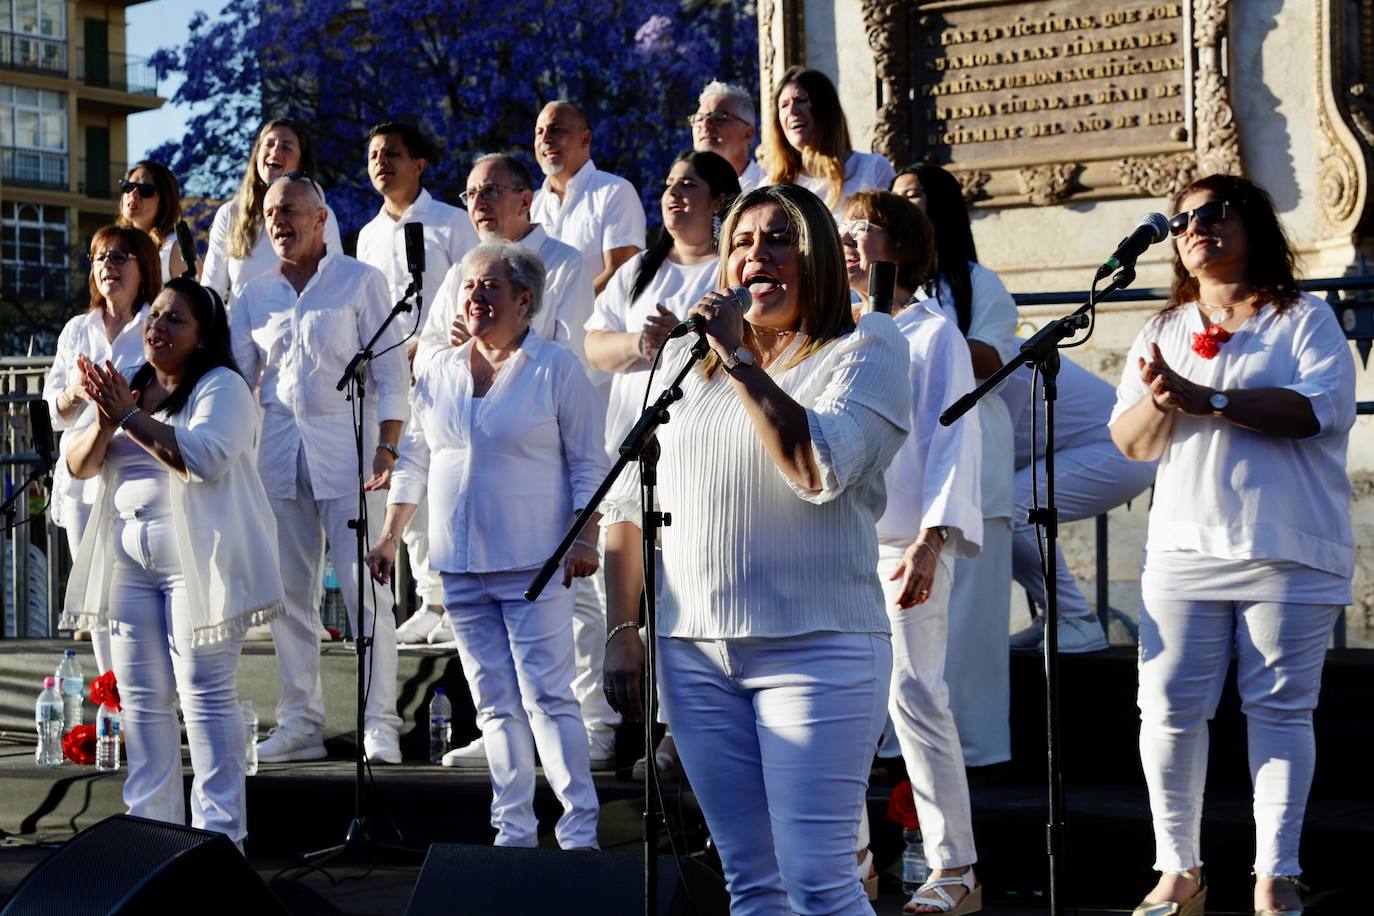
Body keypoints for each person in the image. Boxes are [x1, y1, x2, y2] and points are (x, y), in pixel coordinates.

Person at [601, 183, 911, 915]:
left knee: (820, 883)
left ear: (819, 259)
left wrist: (741, 362)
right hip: (694, 655)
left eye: (778, 239)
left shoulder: (867, 345)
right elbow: (628, 506)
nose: (755, 254)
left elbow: (819, 467)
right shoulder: (688, 367)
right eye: (740, 241)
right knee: (752, 884)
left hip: (816, 650)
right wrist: (623, 627)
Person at [1109, 175, 1355, 916]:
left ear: (1251, 223)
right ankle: (1178, 871)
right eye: (1183, 219)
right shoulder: (1162, 329)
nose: (1196, 228)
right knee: (1168, 711)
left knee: (1279, 710)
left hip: (1286, 549)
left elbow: (1318, 412)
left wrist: (1208, 398)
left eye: (1214, 214)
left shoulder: (1305, 318)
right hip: (1184, 549)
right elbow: (1129, 442)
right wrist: (1161, 401)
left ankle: (1274, 876)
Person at [366, 241, 606, 849]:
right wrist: (392, 535)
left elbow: (588, 463)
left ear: (525, 300)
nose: (474, 296)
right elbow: (417, 456)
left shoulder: (556, 366)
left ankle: (579, 829)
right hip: (460, 564)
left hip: (535, 563)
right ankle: (514, 829)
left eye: (489, 287)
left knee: (549, 696)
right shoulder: (441, 368)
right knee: (494, 703)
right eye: (469, 286)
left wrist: (585, 535)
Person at [60, 276, 286, 848]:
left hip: (199, 564)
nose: (157, 326)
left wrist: (128, 417)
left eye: (174, 319)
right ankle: (152, 833)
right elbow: (78, 465)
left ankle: (219, 840)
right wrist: (110, 417)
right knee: (140, 699)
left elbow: (204, 457)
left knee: (203, 697)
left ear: (203, 335)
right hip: (128, 564)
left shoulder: (223, 386)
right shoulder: (132, 385)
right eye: (155, 315)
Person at [230, 174, 408, 765]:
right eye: (271, 212)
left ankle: (379, 721)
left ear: (321, 218)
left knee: (366, 593)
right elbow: (233, 379)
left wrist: (387, 449)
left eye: (290, 211)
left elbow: (391, 377)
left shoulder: (361, 280)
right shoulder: (255, 293)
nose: (278, 221)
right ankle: (301, 721)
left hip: (352, 452)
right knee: (287, 598)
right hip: (278, 454)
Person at [843, 190, 984, 915]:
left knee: (915, 697)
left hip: (907, 545)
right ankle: (855, 860)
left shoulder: (935, 336)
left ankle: (955, 868)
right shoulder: (840, 330)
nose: (844, 241)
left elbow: (953, 444)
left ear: (896, 245)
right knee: (845, 707)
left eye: (858, 230)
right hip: (839, 549)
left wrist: (933, 540)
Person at [409, 152, 598, 681]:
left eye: (491, 191)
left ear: (524, 197)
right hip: (479, 435)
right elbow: (424, 354)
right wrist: (453, 352)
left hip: (544, 439)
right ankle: (504, 728)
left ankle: (589, 721)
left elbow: (567, 354)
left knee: (567, 597)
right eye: (470, 195)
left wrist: (498, 342)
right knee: (492, 637)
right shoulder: (465, 271)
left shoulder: (563, 261)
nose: (479, 204)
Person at [584, 149, 740, 779]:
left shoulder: (732, 272)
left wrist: (685, 338)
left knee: (687, 592)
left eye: (690, 186)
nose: (674, 196)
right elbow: (595, 344)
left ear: (721, 201)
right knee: (629, 593)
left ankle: (681, 734)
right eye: (669, 185)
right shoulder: (640, 272)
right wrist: (642, 343)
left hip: (701, 456)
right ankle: (635, 723)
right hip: (634, 446)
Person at [895, 161, 1017, 768]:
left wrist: (919, 327)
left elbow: (995, 357)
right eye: (896, 200)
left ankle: (973, 758)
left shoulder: (977, 283)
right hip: (897, 488)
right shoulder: (867, 297)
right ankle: (901, 758)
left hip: (971, 474)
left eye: (915, 197)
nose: (905, 207)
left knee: (969, 634)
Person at [356, 121, 479, 649]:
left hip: (444, 372)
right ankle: (429, 599)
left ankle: (455, 600)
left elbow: (474, 288)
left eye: (393, 153)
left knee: (447, 485)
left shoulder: (452, 223)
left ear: (419, 164)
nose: (381, 162)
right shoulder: (366, 234)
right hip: (390, 384)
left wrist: (430, 346)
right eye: (374, 154)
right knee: (406, 487)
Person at [43, 226, 162, 675]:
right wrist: (75, 392)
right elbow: (53, 411)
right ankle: (114, 704)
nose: (107, 266)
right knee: (98, 597)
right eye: (99, 258)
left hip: (139, 479)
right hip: (82, 482)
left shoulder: (157, 323)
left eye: (119, 257)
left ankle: (149, 698)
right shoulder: (78, 328)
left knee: (142, 591)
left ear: (142, 268)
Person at [1005, 353, 1157, 653]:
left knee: (1009, 506)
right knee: (997, 509)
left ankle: (1077, 618)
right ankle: (1055, 615)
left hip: (1117, 452)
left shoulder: (1004, 357)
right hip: (1087, 450)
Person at [201, 118, 343, 306]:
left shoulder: (320, 214)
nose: (275, 151)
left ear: (301, 162)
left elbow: (336, 281)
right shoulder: (229, 214)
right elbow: (211, 289)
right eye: (268, 144)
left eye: (286, 147)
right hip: (242, 333)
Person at [530, 100, 646, 294]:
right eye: (539, 132)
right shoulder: (531, 205)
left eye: (556, 129)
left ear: (585, 139)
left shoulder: (615, 192)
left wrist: (564, 312)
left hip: (596, 323)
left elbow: (622, 273)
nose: (546, 139)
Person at [763, 66, 895, 219]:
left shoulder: (872, 169)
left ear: (825, 109)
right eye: (784, 105)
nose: (792, 111)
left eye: (801, 100)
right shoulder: (770, 187)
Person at [691, 80, 767, 192]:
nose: (705, 124)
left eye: (718, 117)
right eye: (699, 118)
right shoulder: (686, 195)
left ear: (748, 133)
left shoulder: (769, 187)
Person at [117, 161, 187, 281]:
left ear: (164, 200)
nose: (133, 194)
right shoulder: (114, 247)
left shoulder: (174, 248)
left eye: (145, 189)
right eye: (128, 187)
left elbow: (195, 297)